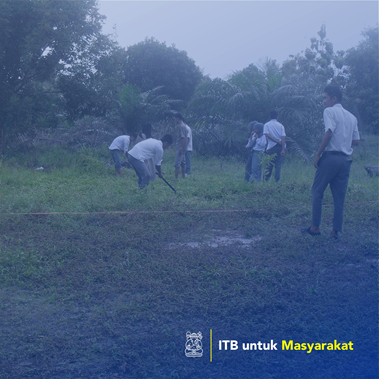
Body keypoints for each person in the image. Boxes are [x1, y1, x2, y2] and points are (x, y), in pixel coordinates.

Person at [301, 85, 360, 239]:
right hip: (345, 160)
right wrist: (344, 141)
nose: (323, 101)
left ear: (334, 99)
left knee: (317, 191)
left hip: (330, 158)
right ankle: (335, 231)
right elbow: (356, 141)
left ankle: (315, 227)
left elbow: (329, 132)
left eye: (325, 97)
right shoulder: (352, 117)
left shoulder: (329, 111)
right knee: (339, 197)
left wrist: (318, 153)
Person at [263, 110, 286, 182]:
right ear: (277, 117)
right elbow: (283, 137)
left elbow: (267, 134)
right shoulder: (281, 125)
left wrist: (276, 141)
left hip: (271, 147)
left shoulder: (267, 125)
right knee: (278, 166)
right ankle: (277, 181)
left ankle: (266, 180)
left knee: (269, 165)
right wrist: (283, 149)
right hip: (279, 147)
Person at [173, 113, 188, 179]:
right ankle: (183, 177)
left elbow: (182, 138)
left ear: (178, 118)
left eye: (175, 118)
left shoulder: (180, 126)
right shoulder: (184, 126)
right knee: (183, 163)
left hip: (180, 147)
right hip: (184, 147)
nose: (175, 120)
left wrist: (181, 148)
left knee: (177, 163)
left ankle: (176, 178)